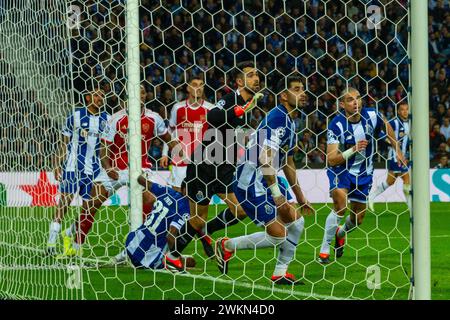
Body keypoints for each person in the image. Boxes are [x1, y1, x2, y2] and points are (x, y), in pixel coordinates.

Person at [59, 86, 182, 257]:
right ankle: (75, 245)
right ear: (127, 96)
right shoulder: (115, 118)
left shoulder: (154, 118)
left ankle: (136, 249)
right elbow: (104, 148)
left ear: (145, 96)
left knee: (154, 204)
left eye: (142, 92)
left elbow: (168, 139)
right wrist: (108, 167)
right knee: (91, 204)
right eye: (134, 92)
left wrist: (181, 152)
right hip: (116, 168)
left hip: (141, 169)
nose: (138, 95)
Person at [164, 61, 264, 271]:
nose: (256, 79)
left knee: (240, 211)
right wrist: (239, 109)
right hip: (204, 166)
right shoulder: (230, 100)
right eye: (251, 75)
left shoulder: (248, 108)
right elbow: (213, 117)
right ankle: (172, 255)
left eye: (257, 75)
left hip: (225, 167)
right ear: (239, 81)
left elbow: (239, 135)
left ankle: (207, 232)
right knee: (197, 219)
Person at [215, 75, 314, 285]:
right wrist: (278, 195)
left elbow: (287, 162)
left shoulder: (290, 121)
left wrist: (301, 196)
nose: (303, 93)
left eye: (303, 89)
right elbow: (264, 157)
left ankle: (280, 273)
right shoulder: (277, 118)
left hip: (266, 180)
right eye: (297, 89)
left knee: (297, 222)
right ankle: (226, 245)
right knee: (278, 235)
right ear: (284, 96)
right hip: (250, 183)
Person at [318, 88, 407, 264]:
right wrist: (353, 149)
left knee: (357, 219)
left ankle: (340, 234)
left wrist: (396, 148)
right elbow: (331, 159)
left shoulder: (372, 115)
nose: (355, 102)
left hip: (364, 172)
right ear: (342, 104)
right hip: (341, 170)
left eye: (358, 98)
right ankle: (324, 249)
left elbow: (386, 126)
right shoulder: (336, 125)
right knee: (340, 206)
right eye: (350, 100)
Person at [46, 87, 108, 255]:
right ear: (88, 97)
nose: (100, 98)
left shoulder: (106, 119)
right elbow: (64, 143)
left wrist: (107, 168)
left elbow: (106, 148)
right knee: (63, 205)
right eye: (96, 95)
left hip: (94, 171)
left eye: (102, 95)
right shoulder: (75, 116)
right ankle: (51, 243)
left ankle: (70, 232)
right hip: (73, 167)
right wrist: (57, 164)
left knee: (88, 210)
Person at [111, 178, 196, 272]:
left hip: (131, 243)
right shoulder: (185, 208)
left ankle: (124, 255)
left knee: (190, 261)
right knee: (186, 260)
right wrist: (174, 258)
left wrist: (138, 174)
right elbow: (170, 237)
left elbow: (142, 181)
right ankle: (170, 260)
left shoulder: (167, 191)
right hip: (147, 259)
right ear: (185, 190)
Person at [160, 75, 215, 193]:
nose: (198, 88)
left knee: (198, 197)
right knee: (178, 194)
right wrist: (165, 153)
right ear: (188, 88)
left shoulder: (210, 109)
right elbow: (170, 132)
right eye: (195, 85)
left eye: (201, 85)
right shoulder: (178, 108)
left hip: (201, 160)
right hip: (181, 158)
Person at [369, 103, 411, 212]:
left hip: (403, 156)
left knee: (405, 180)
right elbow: (381, 133)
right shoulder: (394, 122)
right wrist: (391, 143)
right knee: (391, 181)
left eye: (407, 109)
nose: (405, 111)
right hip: (394, 155)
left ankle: (411, 207)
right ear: (398, 112)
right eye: (402, 110)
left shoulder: (410, 123)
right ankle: (371, 196)